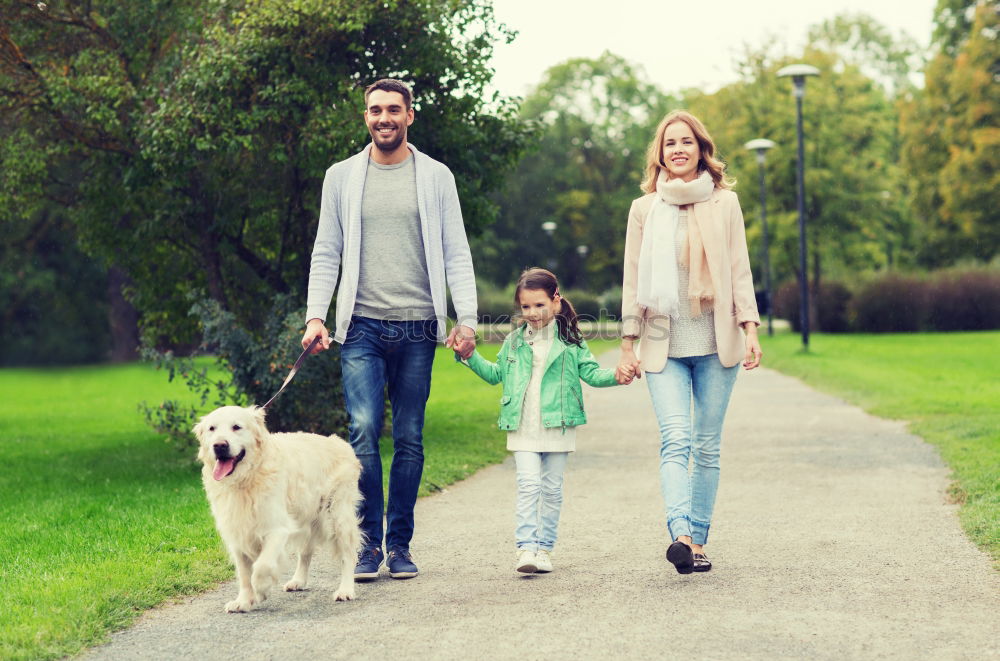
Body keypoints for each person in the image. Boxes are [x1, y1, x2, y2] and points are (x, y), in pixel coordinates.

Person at [301, 78, 478, 581]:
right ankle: (365, 546)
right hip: (360, 327)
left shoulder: (436, 176)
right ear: (365, 117)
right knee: (361, 432)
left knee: (409, 436)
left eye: (394, 110)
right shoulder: (341, 177)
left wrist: (465, 318)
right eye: (375, 110)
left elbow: (455, 251)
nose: (384, 118)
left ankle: (398, 544)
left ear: (410, 115)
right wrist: (317, 315)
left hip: (419, 327)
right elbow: (326, 250)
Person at [618, 110, 762, 574]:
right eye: (668, 143)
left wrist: (750, 327)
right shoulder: (644, 209)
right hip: (664, 342)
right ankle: (680, 533)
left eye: (686, 142)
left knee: (707, 447)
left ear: (702, 149)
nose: (677, 149)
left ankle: (698, 542)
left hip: (716, 342)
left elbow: (739, 269)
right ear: (659, 155)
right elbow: (633, 278)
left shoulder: (725, 203)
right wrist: (627, 341)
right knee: (675, 441)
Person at [457, 268, 632, 574]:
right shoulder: (513, 341)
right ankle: (525, 547)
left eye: (539, 305)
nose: (533, 313)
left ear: (556, 301)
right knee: (528, 484)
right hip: (523, 424)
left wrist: (617, 376)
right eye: (525, 307)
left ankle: (544, 549)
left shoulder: (570, 341)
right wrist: (470, 357)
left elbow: (591, 373)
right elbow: (496, 375)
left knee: (551, 490)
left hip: (558, 423)